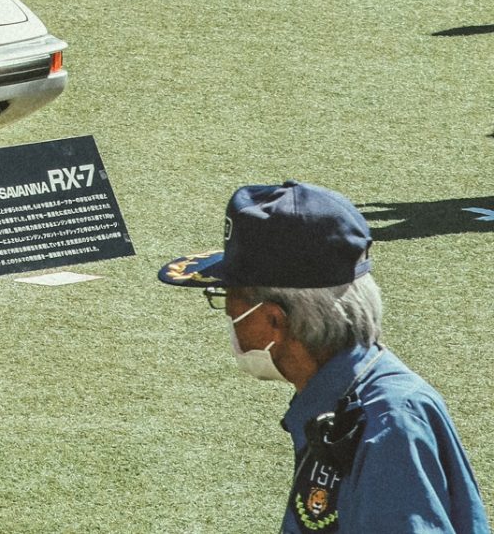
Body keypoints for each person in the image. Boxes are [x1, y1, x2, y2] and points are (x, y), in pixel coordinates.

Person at [160, 180, 487, 532]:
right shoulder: (344, 402)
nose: (226, 313)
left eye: (227, 297)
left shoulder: (389, 426)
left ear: (274, 320)